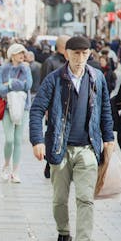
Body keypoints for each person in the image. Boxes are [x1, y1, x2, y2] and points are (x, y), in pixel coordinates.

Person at [29, 36, 115, 241]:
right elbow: (37, 109)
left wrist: (108, 137)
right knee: (59, 199)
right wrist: (37, 140)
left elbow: (105, 108)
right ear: (66, 54)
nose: (80, 58)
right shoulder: (55, 79)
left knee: (85, 199)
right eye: (76, 53)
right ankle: (63, 231)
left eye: (85, 53)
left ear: (89, 54)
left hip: (88, 147)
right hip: (59, 148)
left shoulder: (97, 77)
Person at [0, 43, 32, 183]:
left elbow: (28, 85)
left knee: (18, 140)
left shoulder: (25, 68)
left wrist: (9, 83)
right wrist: (16, 84)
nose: (22, 55)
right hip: (6, 107)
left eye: (23, 53)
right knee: (9, 139)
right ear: (12, 55)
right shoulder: (2, 68)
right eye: (19, 53)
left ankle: (15, 172)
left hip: (23, 108)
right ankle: (5, 165)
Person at [40, 35, 71, 179]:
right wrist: (46, 107)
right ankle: (49, 162)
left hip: (71, 105)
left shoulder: (71, 62)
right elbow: (44, 85)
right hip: (55, 105)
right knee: (54, 133)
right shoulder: (50, 62)